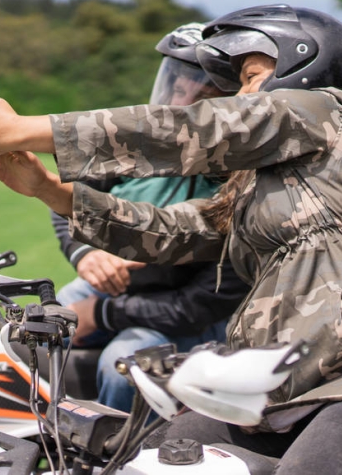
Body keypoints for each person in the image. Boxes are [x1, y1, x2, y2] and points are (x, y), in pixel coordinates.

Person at [0, 4, 342, 475]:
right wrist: (50, 191)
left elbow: (195, 128)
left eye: (252, 79)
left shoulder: (318, 112)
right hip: (277, 393)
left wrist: (26, 129)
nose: (238, 96)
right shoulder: (260, 185)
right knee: (148, 459)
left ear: (303, 69)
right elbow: (175, 231)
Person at [50, 23, 250, 413]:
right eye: (178, 89)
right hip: (118, 291)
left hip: (197, 317)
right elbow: (66, 200)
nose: (180, 107)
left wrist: (102, 314)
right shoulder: (136, 143)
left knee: (123, 367)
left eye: (203, 98)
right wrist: (85, 256)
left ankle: (124, 460)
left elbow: (196, 307)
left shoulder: (243, 184)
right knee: (34, 333)